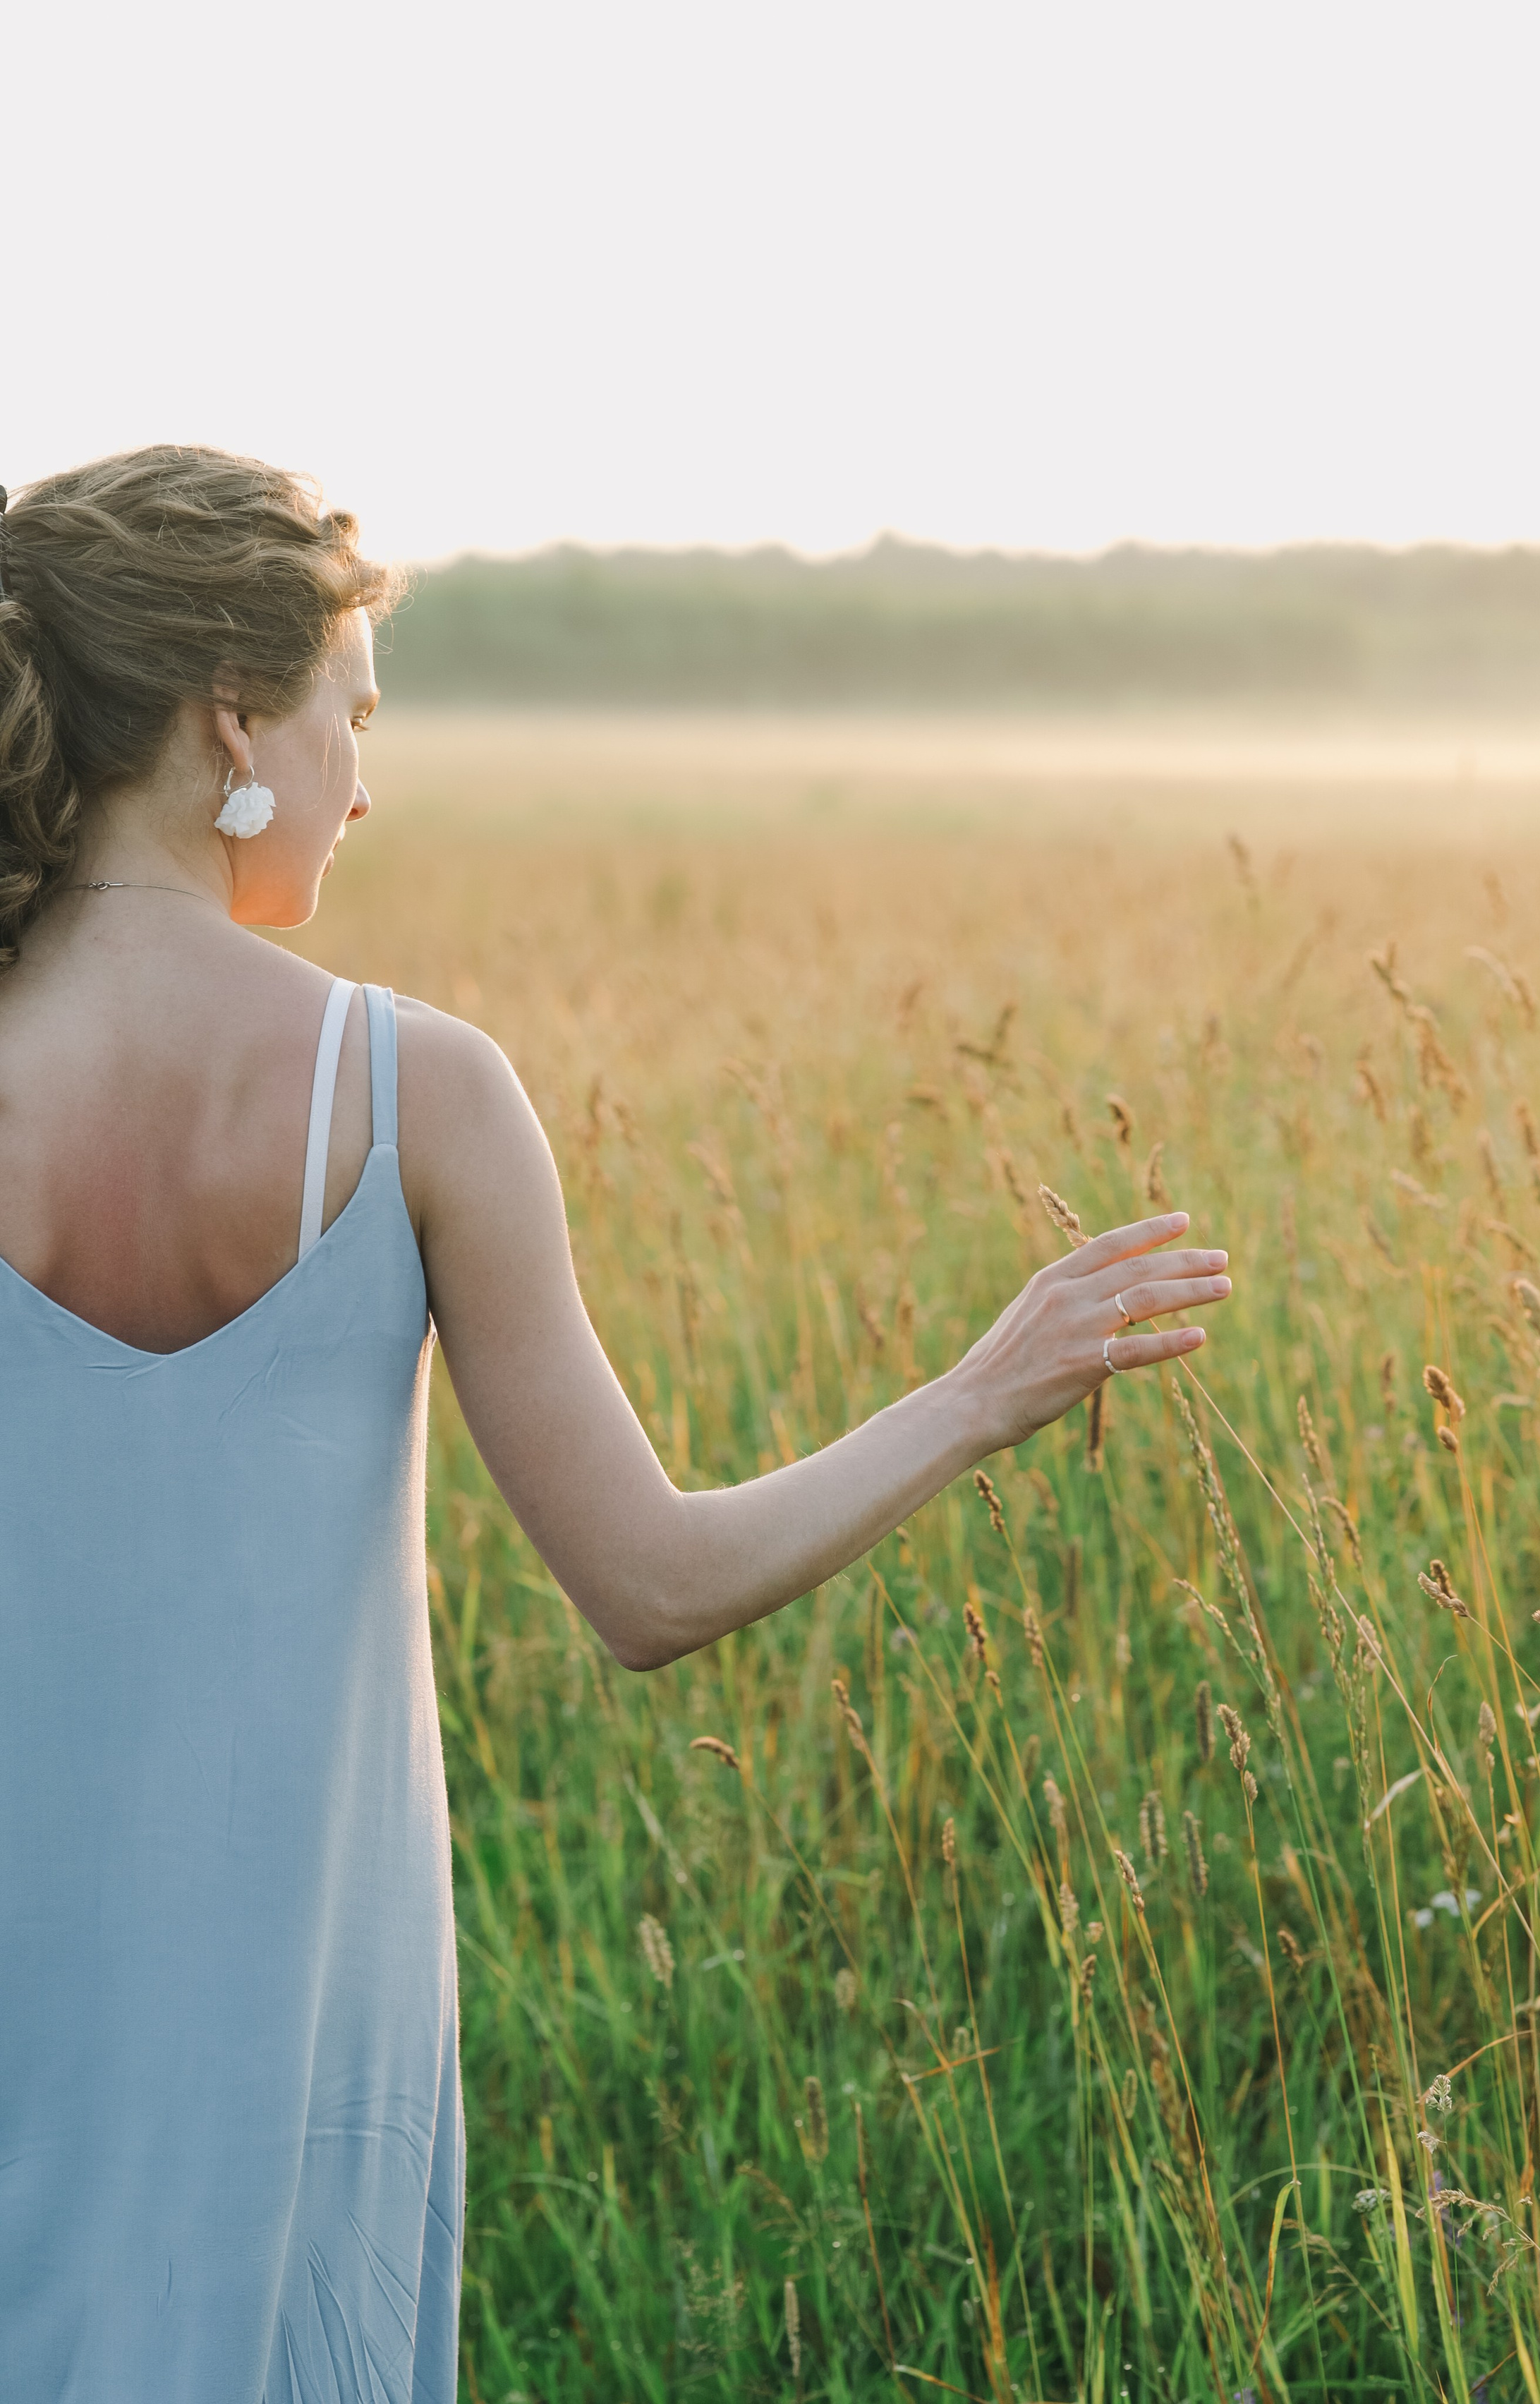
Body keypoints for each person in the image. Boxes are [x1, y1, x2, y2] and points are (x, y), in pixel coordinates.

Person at [0, 447, 1232, 2398]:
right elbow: (651, 1588)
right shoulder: (415, 1092)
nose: (361, 781)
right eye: (349, 716)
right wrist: (980, 1394)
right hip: (293, 2046)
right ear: (232, 716)